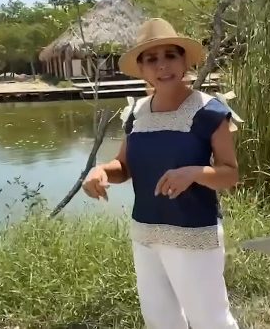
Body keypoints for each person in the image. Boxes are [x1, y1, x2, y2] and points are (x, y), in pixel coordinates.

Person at [81, 18, 240, 329]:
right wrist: (100, 171)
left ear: (184, 61)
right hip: (145, 232)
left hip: (193, 233)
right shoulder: (135, 113)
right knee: (160, 319)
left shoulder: (209, 111)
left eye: (170, 55)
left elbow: (230, 174)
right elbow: (124, 167)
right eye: (151, 59)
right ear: (141, 69)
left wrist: (194, 173)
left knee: (211, 320)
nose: (162, 65)